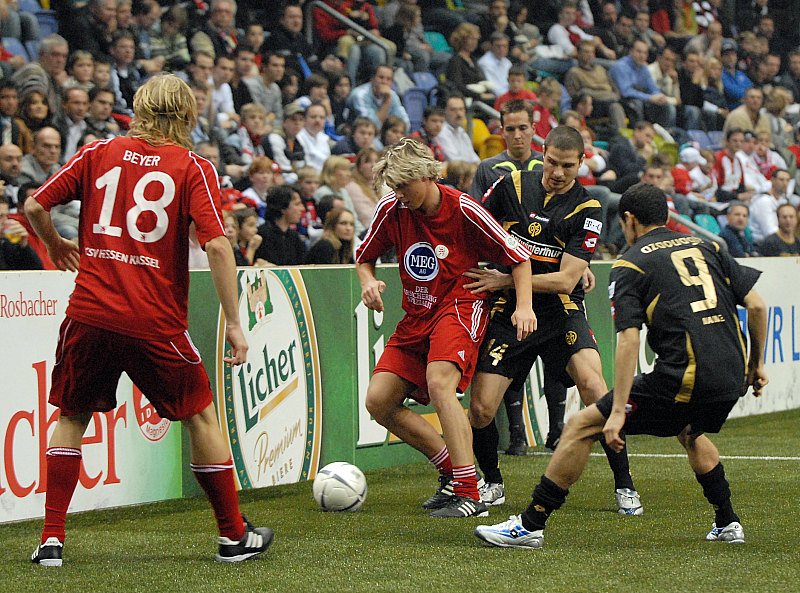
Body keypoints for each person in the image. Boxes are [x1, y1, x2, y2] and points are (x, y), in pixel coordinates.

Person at [24, 74, 273, 566]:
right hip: (154, 321)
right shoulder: (192, 167)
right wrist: (233, 321)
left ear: (139, 109)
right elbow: (217, 245)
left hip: (89, 313)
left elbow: (34, 205)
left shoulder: (98, 152)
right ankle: (232, 537)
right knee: (201, 416)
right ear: (186, 115)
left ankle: (51, 539)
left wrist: (54, 243)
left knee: (71, 416)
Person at [475, 182, 768, 549]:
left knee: (581, 425)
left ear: (628, 220)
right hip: (730, 375)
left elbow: (629, 340)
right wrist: (755, 365)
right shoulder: (708, 246)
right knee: (690, 431)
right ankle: (727, 521)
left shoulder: (631, 263)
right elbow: (757, 306)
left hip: (683, 375)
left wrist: (617, 411)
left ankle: (530, 525)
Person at [463, 126, 642, 515]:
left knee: (595, 389)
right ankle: (492, 482)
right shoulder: (511, 185)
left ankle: (625, 484)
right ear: (542, 154)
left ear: (581, 163)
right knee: (480, 408)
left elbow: (566, 279)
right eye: (551, 162)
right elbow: (471, 223)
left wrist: (504, 278)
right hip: (511, 309)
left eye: (567, 166)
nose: (557, 173)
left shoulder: (588, 206)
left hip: (560, 308)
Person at [356, 138, 536, 518]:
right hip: (416, 315)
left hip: (460, 304)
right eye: (394, 187)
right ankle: (453, 473)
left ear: (426, 176)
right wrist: (367, 282)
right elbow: (364, 258)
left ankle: (471, 494)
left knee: (440, 383)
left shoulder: (464, 209)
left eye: (404, 186)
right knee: (378, 401)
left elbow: (519, 258)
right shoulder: (391, 209)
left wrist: (524, 307)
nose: (399, 194)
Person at [254, 185, 307, 266]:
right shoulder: (262, 236)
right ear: (282, 208)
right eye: (297, 204)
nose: (302, 208)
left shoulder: (295, 238)